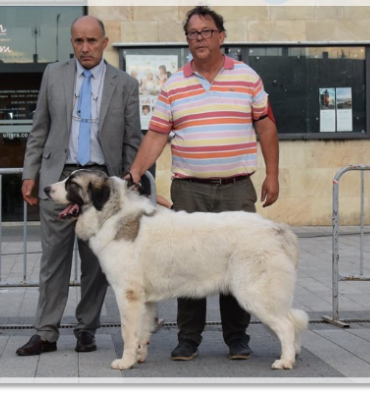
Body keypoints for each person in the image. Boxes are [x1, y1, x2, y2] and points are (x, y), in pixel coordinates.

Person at [127, 6, 279, 362]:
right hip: (189, 187)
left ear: (221, 36)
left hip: (237, 186)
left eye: (206, 31)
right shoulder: (174, 84)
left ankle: (237, 339)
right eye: (193, 33)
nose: (200, 39)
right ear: (187, 40)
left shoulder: (247, 77)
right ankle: (188, 339)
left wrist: (272, 174)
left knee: (238, 262)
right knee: (187, 264)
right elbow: (155, 137)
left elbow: (266, 127)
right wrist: (134, 173)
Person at [17, 15, 142, 356]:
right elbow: (39, 128)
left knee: (96, 263)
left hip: (102, 185)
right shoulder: (53, 75)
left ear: (104, 41)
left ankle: (87, 329)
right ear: (71, 43)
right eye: (78, 41)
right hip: (59, 178)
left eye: (91, 41)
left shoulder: (125, 84)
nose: (85, 48)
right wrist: (30, 173)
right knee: (52, 261)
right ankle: (45, 333)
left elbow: (133, 140)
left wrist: (131, 183)